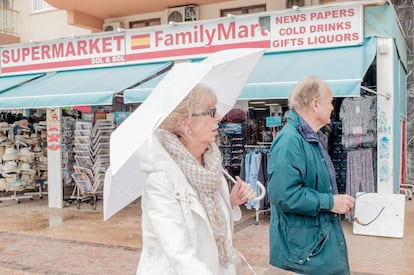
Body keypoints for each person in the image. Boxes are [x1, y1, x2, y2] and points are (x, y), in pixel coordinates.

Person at [136, 84, 256, 275]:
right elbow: (178, 251)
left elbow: (211, 228)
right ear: (185, 123)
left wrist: (231, 202)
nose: (219, 117)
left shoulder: (211, 167)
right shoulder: (161, 179)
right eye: (210, 112)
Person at [267, 76, 355, 275]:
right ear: (315, 104)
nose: (333, 108)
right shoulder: (290, 141)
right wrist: (330, 202)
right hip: (306, 254)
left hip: (314, 248)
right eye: (331, 102)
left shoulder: (311, 138)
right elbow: (284, 195)